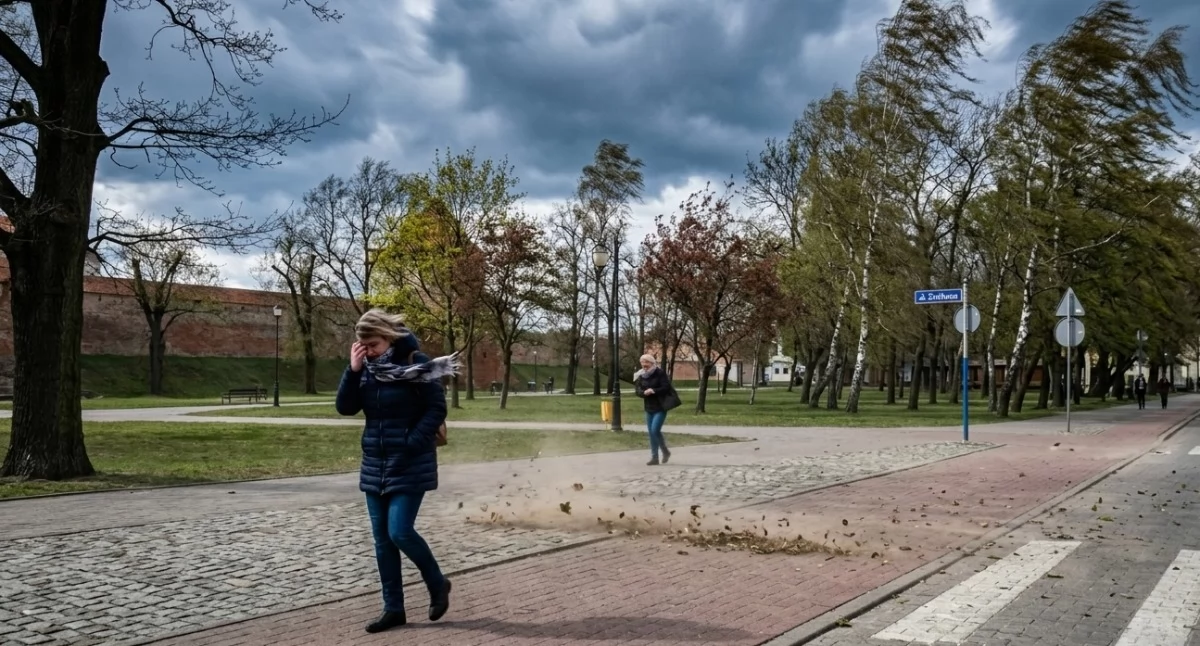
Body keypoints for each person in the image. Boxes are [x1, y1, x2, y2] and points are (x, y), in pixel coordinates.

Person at [336, 309, 460, 633]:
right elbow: (346, 408)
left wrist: (411, 441)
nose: (370, 351)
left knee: (399, 531)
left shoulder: (415, 362)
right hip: (375, 462)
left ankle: (437, 584)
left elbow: (437, 408)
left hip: (409, 460)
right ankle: (394, 609)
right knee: (382, 541)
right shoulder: (365, 369)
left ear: (388, 337)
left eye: (373, 345)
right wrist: (353, 370)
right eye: (363, 346)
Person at [633, 354, 681, 466]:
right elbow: (637, 390)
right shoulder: (641, 375)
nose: (644, 365)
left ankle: (665, 451)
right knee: (651, 433)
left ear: (652, 363)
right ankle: (655, 457)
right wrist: (643, 393)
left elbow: (666, 387)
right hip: (648, 407)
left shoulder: (659, 373)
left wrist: (653, 390)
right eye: (642, 362)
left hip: (660, 407)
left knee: (655, 430)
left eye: (647, 362)